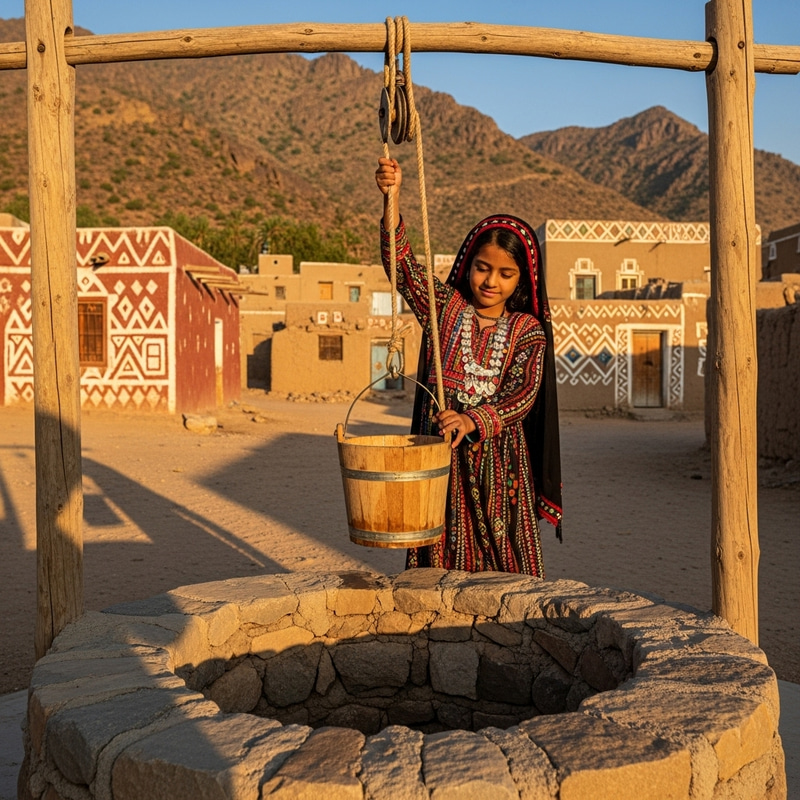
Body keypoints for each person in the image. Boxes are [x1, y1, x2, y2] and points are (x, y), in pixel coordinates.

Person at [375, 157, 562, 577]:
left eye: (505, 273)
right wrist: (392, 197)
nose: (491, 281)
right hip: (442, 453)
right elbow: (402, 269)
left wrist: (472, 418)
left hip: (500, 462)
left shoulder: (527, 330)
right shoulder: (445, 308)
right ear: (469, 264)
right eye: (482, 267)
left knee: (504, 560)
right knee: (440, 550)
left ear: (522, 280)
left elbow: (523, 394)